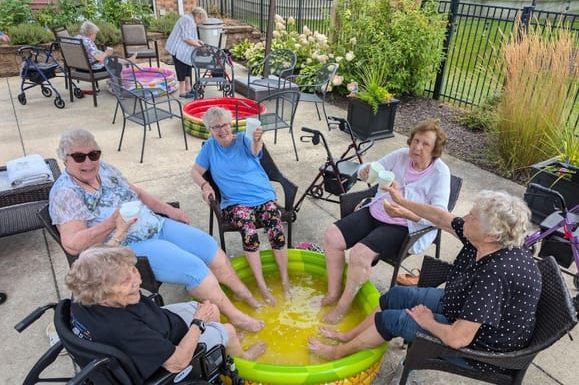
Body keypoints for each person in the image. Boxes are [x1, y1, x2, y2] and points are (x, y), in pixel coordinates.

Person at [309, 190, 541, 378]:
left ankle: (336, 352)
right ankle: (348, 336)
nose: (465, 218)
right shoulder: (488, 240)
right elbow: (441, 217)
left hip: (483, 348)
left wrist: (427, 321)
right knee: (398, 295)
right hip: (466, 309)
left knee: (393, 320)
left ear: (492, 234)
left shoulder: (495, 273)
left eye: (472, 216)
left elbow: (457, 339)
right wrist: (402, 201)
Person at [49, 129, 264, 332]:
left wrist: (170, 211)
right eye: (79, 157)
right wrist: (112, 222)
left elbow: (139, 194)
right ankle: (235, 316)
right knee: (195, 268)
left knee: (207, 245)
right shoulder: (66, 193)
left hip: (155, 225)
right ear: (64, 159)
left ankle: (244, 294)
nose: (88, 162)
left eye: (93, 154)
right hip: (126, 244)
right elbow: (72, 244)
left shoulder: (105, 169)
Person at [65, 245, 267, 380]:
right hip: (172, 354)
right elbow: (176, 364)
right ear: (102, 293)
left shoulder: (84, 293)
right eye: (125, 281)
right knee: (228, 329)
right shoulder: (125, 329)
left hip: (158, 324)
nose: (138, 281)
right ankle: (241, 355)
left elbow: (97, 263)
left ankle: (221, 345)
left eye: (133, 270)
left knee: (211, 308)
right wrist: (197, 324)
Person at [321, 120, 451, 324]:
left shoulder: (440, 173)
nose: (417, 147)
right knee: (332, 235)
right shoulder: (400, 155)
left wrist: (407, 213)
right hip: (377, 210)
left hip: (405, 225)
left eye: (425, 144)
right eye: (416, 140)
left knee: (360, 254)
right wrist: (365, 170)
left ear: (435, 150)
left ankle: (343, 306)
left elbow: (439, 215)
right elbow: (373, 168)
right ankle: (333, 292)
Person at [191, 107, 290, 305]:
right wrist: (205, 185)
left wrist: (257, 138)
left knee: (276, 228)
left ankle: (285, 281)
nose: (222, 130)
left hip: (262, 196)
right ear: (209, 129)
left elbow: (255, 149)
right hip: (235, 202)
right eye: (216, 126)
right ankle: (262, 286)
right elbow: (195, 170)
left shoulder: (243, 140)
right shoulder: (209, 148)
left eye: (225, 124)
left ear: (231, 124)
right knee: (249, 232)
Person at [165, 6, 207, 98]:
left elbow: (190, 36)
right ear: (198, 16)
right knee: (182, 70)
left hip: (182, 50)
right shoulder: (188, 20)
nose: (202, 23)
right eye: (202, 20)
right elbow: (186, 38)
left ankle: (188, 88)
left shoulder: (190, 20)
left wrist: (198, 41)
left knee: (187, 68)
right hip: (178, 49)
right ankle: (182, 92)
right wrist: (198, 45)